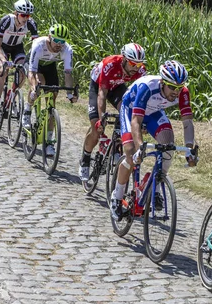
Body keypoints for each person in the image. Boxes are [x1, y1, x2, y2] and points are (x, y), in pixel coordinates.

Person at [110, 60, 198, 220]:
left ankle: (154, 183)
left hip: (153, 113)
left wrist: (190, 149)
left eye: (179, 88)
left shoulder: (183, 92)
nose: (176, 92)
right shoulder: (147, 87)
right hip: (130, 110)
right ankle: (117, 196)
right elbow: (136, 121)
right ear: (162, 82)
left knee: (168, 144)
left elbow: (187, 122)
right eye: (172, 87)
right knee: (131, 154)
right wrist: (139, 148)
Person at [78, 43, 147, 181]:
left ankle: (117, 143)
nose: (136, 68)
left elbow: (142, 97)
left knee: (126, 111)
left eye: (139, 65)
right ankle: (85, 159)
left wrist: (142, 120)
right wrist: (102, 118)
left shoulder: (140, 70)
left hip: (117, 86)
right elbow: (102, 95)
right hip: (99, 86)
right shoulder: (110, 64)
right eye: (133, 63)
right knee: (96, 128)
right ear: (124, 60)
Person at [22, 24, 78, 156]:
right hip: (35, 66)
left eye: (62, 41)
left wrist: (70, 93)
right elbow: (32, 72)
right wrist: (33, 88)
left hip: (49, 66)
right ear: (49, 37)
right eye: (57, 40)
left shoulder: (67, 49)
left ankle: (49, 141)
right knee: (39, 83)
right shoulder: (39, 45)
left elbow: (68, 74)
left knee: (52, 98)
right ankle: (27, 110)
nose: (59, 44)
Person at [0, 0, 39, 122]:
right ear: (16, 13)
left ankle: (11, 98)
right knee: (3, 70)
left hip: (17, 48)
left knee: (22, 72)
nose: (25, 18)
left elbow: (36, 45)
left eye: (28, 15)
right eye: (23, 15)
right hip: (3, 48)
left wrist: (32, 62)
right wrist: (3, 60)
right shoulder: (7, 20)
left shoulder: (31, 24)